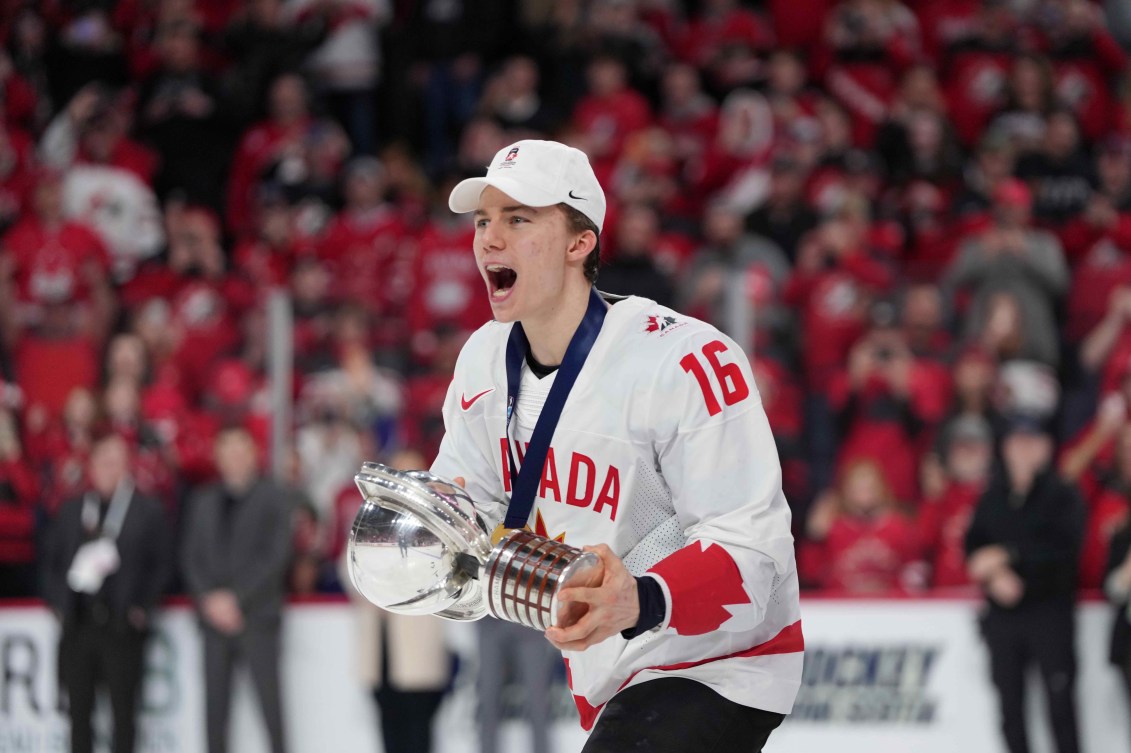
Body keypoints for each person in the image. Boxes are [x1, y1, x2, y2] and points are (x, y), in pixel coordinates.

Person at [432, 139, 803, 752]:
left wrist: (642, 596)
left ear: (581, 244)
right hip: (613, 666)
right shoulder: (481, 362)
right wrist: (429, 535)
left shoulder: (684, 358)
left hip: (723, 660)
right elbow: (470, 513)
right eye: (482, 220)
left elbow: (753, 544)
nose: (488, 239)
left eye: (518, 219)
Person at [41, 433, 173, 753]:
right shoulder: (73, 510)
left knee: (123, 716)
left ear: (126, 466)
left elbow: (163, 564)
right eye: (102, 461)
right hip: (79, 627)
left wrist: (141, 606)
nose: (108, 469)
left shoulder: (147, 510)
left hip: (121, 629)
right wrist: (60, 605)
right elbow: (50, 562)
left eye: (115, 462)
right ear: (91, 466)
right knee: (79, 714)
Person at [965, 414, 1086, 753]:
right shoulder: (993, 497)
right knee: (1010, 708)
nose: (1022, 450)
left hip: (1050, 613)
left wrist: (1008, 556)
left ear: (1046, 448)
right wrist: (993, 575)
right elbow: (974, 546)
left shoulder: (1062, 495)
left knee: (1060, 705)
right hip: (1003, 617)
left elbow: (1064, 551)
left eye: (1031, 442)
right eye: (1016, 442)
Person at [181, 426, 294, 753]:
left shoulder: (273, 496)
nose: (234, 459)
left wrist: (236, 599)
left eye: (241, 451)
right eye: (227, 452)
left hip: (258, 618)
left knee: (271, 709)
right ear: (218, 457)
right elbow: (190, 557)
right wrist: (210, 600)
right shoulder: (202, 501)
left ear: (253, 455)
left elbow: (276, 555)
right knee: (214, 712)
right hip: (213, 623)